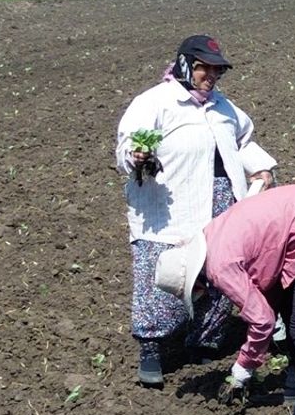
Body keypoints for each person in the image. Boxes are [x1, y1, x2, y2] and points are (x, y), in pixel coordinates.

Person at [116, 34, 276, 387]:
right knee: (161, 271)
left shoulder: (222, 107)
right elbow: (128, 144)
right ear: (187, 64)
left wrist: (259, 168)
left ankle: (205, 339)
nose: (213, 75)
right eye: (206, 68)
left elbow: (243, 142)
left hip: (220, 202)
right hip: (169, 206)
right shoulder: (155, 102)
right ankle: (152, 347)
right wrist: (136, 156)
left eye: (218, 69)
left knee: (220, 270)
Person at [154, 184, 295, 415]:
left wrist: (242, 369)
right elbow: (265, 290)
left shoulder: (219, 267)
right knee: (290, 311)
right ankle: (294, 387)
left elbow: (262, 320)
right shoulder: (210, 237)